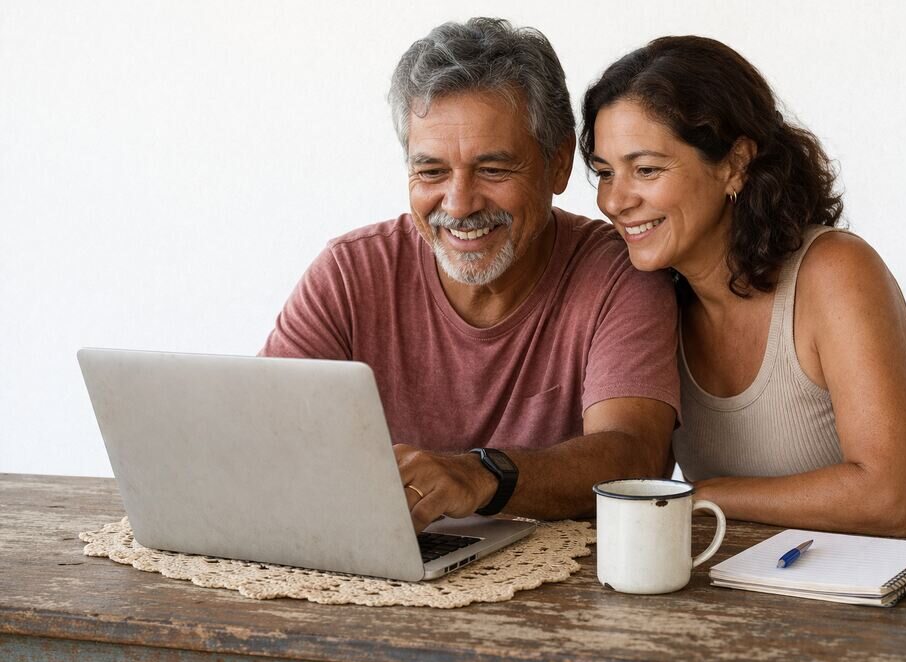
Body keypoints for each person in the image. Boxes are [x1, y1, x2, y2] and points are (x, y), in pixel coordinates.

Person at [260, 19, 681, 532]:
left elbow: (634, 458)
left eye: (493, 170)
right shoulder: (350, 272)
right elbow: (259, 435)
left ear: (559, 164)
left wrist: (482, 476)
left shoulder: (619, 273)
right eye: (431, 172)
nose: (459, 205)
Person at [579, 35, 906, 535]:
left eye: (646, 169)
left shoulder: (834, 272)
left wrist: (705, 496)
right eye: (605, 173)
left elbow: (891, 498)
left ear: (735, 164)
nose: (615, 201)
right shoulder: (648, 303)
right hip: (785, 578)